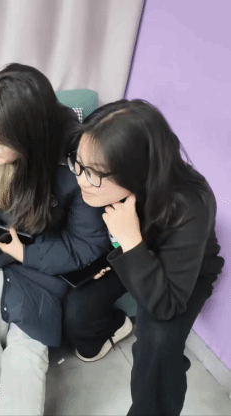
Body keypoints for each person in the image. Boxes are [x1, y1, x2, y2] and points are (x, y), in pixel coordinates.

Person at [0, 64, 111, 416]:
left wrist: (26, 253)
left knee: (27, 340)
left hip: (47, 261)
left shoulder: (77, 165)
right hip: (4, 253)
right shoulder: (0, 149)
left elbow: (88, 245)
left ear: (28, 135)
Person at [64, 99, 225, 415]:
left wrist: (130, 241)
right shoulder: (102, 185)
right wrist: (120, 249)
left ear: (136, 171)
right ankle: (118, 326)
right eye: (78, 164)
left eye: (93, 172)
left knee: (157, 347)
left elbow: (167, 304)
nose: (80, 179)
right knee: (79, 309)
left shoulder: (190, 205)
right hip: (128, 250)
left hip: (179, 276)